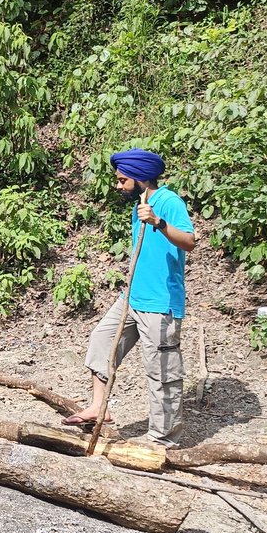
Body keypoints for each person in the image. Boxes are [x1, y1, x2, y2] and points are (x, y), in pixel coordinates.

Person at [64, 147, 196, 447]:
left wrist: (159, 223)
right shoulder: (141, 203)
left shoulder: (168, 202)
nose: (118, 185)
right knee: (102, 341)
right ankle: (99, 407)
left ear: (140, 177)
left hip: (159, 304)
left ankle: (163, 439)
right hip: (132, 297)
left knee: (161, 371)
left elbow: (189, 241)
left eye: (123, 179)